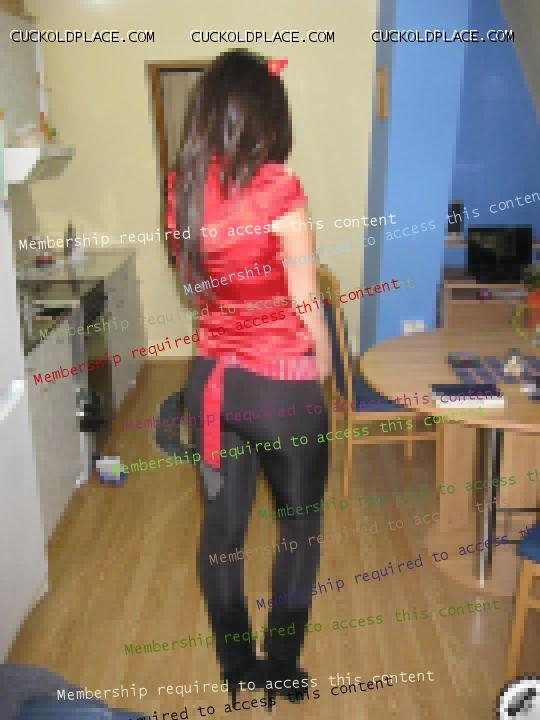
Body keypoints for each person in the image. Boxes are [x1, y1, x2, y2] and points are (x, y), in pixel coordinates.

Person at [167, 49, 331, 702]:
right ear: (266, 115)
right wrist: (323, 374)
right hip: (279, 384)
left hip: (210, 383)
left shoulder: (180, 187)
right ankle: (281, 667)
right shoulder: (278, 188)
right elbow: (306, 302)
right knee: (300, 530)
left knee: (222, 532)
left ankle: (237, 668)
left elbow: (199, 289)